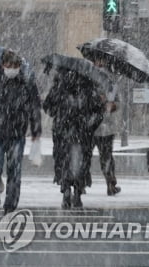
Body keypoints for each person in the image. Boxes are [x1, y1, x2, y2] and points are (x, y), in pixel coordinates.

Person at [0, 50, 41, 219]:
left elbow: (34, 108)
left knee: (14, 171)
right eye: (9, 65)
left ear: (20, 67)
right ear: (3, 65)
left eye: (15, 66)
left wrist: (36, 130)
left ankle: (10, 206)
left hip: (16, 133)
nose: (12, 69)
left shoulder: (26, 84)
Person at [43, 69, 105, 208]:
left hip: (63, 132)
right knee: (80, 163)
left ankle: (66, 190)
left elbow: (47, 106)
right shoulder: (88, 88)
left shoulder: (59, 87)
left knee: (64, 161)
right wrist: (91, 125)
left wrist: (57, 115)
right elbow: (99, 111)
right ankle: (77, 191)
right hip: (82, 132)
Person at [90, 57, 122, 196]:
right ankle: (81, 183)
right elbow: (84, 100)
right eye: (97, 61)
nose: (100, 64)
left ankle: (110, 183)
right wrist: (98, 100)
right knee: (85, 156)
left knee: (107, 156)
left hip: (106, 126)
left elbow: (118, 102)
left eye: (102, 61)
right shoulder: (87, 79)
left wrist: (112, 105)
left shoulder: (111, 81)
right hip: (91, 126)